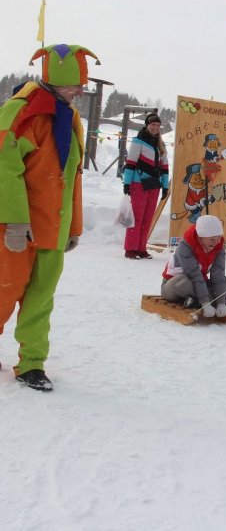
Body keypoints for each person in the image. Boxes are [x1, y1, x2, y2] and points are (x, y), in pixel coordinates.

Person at [0, 44, 100, 390]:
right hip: (17, 227)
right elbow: (4, 168)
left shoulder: (66, 115)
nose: (81, 91)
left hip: (52, 228)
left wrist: (72, 226)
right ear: (55, 79)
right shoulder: (21, 111)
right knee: (4, 290)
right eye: (76, 84)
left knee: (40, 300)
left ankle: (32, 363)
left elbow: (71, 175)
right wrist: (14, 220)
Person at [161, 215, 226, 315]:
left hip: (200, 285)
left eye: (218, 238)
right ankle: (207, 300)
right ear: (200, 237)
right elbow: (194, 275)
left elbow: (218, 275)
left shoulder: (218, 248)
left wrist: (221, 303)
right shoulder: (184, 247)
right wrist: (205, 303)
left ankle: (195, 301)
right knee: (182, 281)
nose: (216, 243)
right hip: (174, 286)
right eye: (212, 239)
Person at [122, 112, 170, 259]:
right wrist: (127, 183)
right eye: (153, 124)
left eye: (158, 125)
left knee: (147, 218)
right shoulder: (138, 141)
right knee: (137, 217)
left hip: (154, 185)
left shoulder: (160, 145)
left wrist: (165, 186)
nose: (156, 127)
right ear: (147, 125)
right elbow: (131, 163)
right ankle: (131, 248)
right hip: (139, 183)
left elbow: (165, 167)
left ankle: (141, 248)